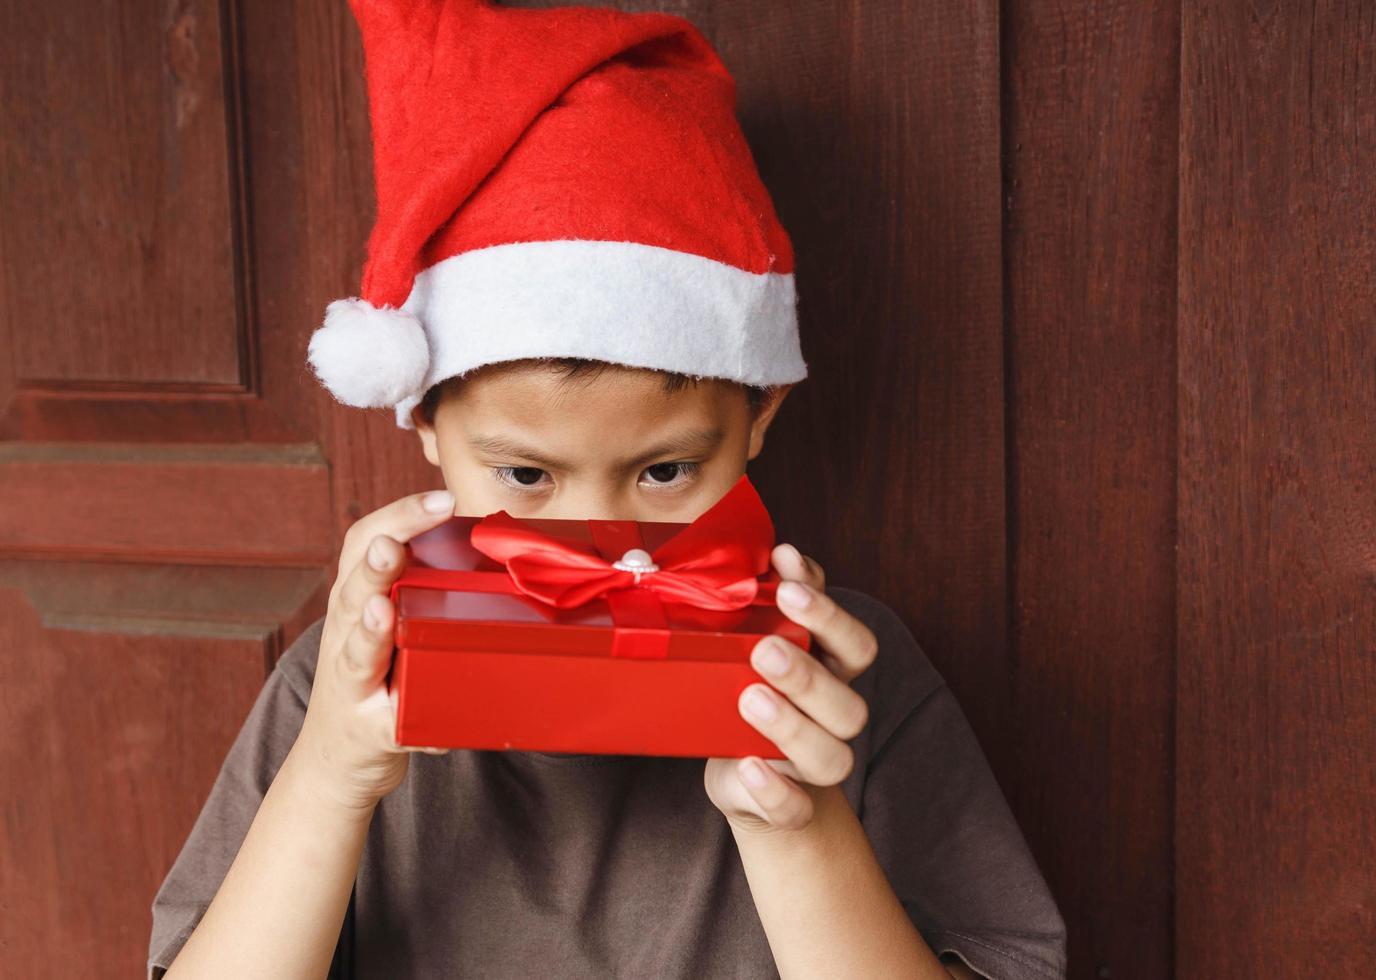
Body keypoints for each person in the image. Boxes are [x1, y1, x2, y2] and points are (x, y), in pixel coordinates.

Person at [148, 2, 1067, 978]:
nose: (599, 537)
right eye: (525, 475)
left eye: (664, 471)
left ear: (759, 417)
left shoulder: (855, 682)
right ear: (423, 424)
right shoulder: (341, 684)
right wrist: (333, 772)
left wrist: (796, 823)